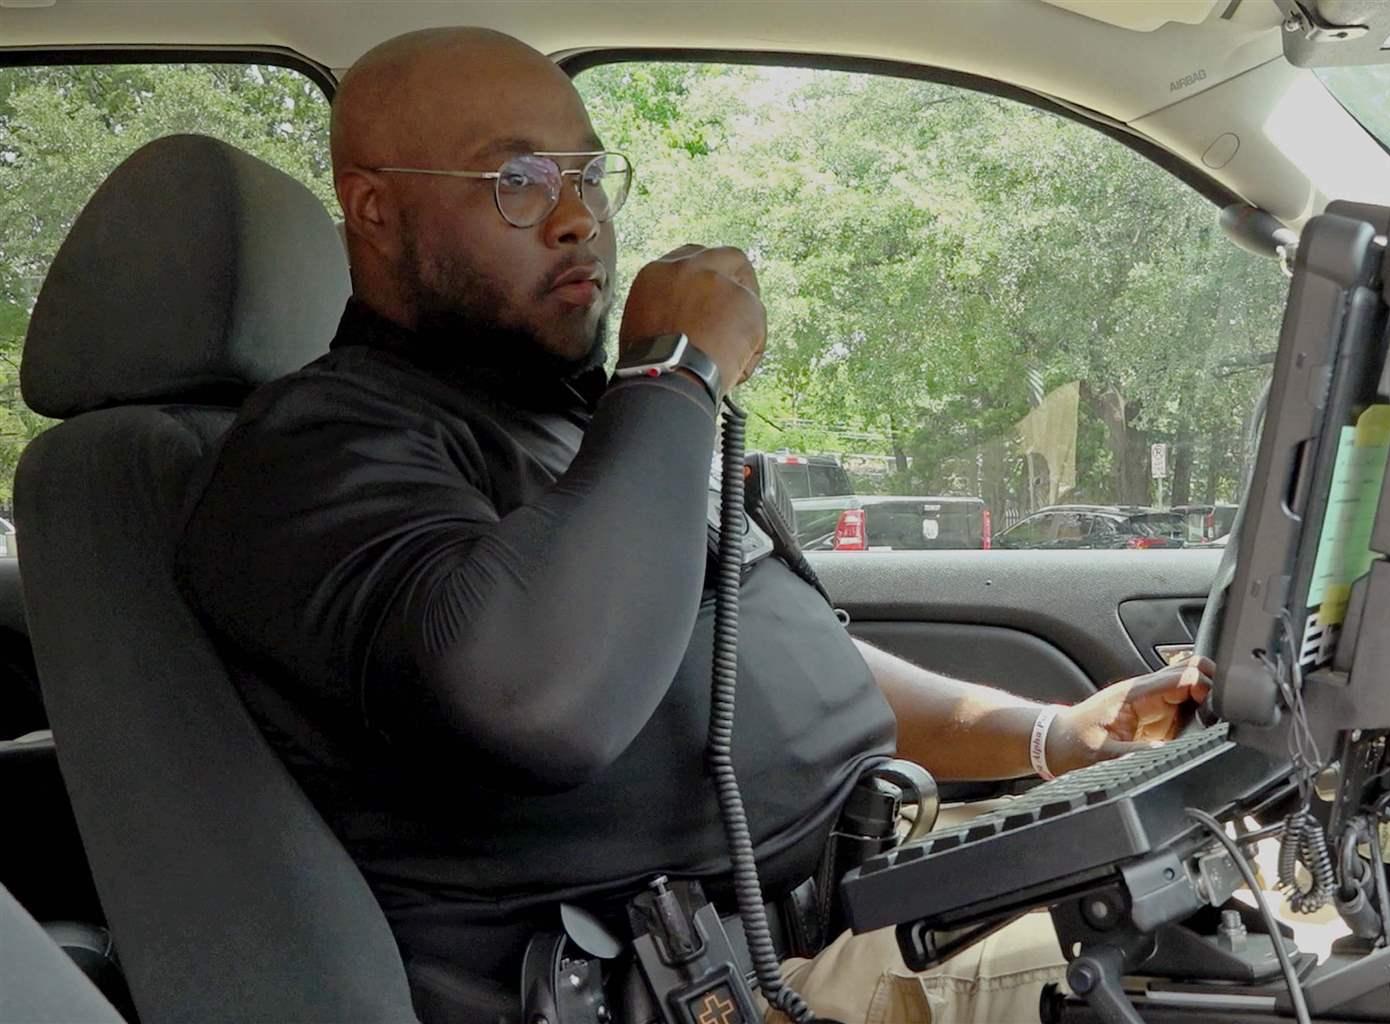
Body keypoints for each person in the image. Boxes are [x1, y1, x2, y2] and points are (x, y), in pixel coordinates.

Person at [175, 27, 1212, 1024]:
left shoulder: (580, 420)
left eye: (587, 173)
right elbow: (532, 696)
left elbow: (744, 646)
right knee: (1228, 961)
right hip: (733, 979)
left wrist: (1044, 736)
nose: (578, 217)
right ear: (375, 212)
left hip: (881, 888)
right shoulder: (308, 453)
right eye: (520, 181)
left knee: (1219, 855)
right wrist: (674, 376)